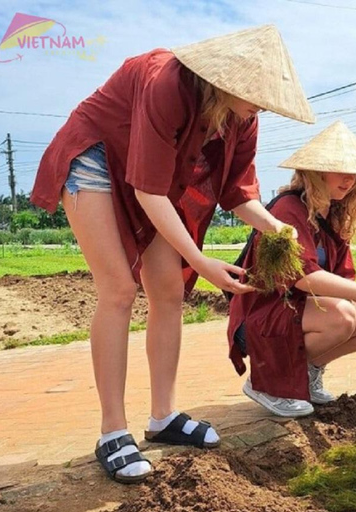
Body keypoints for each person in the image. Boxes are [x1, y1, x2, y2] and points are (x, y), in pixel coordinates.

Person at [30, 25, 315, 483]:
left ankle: (162, 417)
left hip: (148, 180)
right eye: (255, 94)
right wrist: (201, 263)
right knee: (119, 289)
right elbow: (148, 189)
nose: (261, 104)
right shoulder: (168, 82)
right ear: (226, 81)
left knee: (168, 292)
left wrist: (276, 225)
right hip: (96, 156)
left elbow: (239, 193)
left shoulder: (242, 119)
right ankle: (112, 431)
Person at [227, 121, 356, 418]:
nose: (350, 180)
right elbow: (304, 278)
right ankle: (266, 381)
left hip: (302, 313)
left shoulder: (334, 215)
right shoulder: (287, 209)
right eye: (341, 171)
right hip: (263, 316)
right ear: (316, 171)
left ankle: (306, 373)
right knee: (342, 316)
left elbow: (343, 279)